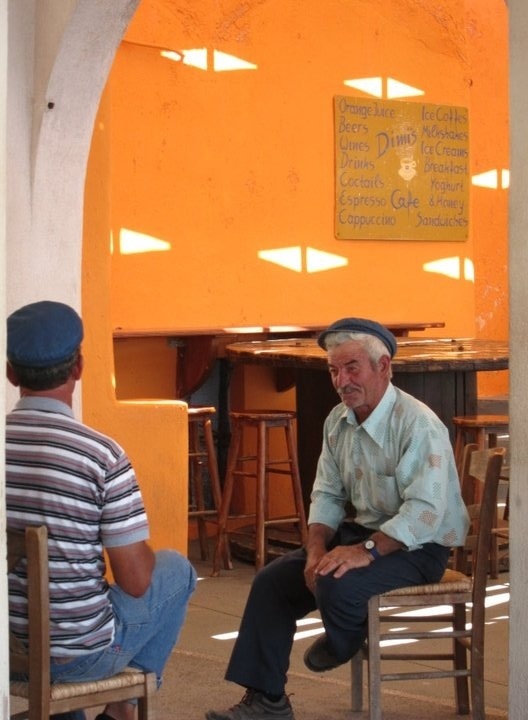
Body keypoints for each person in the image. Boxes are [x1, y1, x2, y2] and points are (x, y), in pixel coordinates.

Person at [206, 317, 470, 720]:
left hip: (420, 545)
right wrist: (314, 550)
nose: (341, 380)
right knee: (273, 582)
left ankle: (344, 641)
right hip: (365, 531)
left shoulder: (418, 424)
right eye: (334, 370)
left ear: (384, 368)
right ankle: (267, 700)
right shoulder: (337, 421)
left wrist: (365, 550)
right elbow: (327, 494)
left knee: (336, 582)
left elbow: (424, 512)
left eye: (352, 368)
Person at [6, 300, 197, 720]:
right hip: (76, 658)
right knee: (175, 570)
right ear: (79, 367)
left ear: (11, 373)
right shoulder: (100, 456)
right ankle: (123, 706)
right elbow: (135, 581)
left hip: (6, 648)